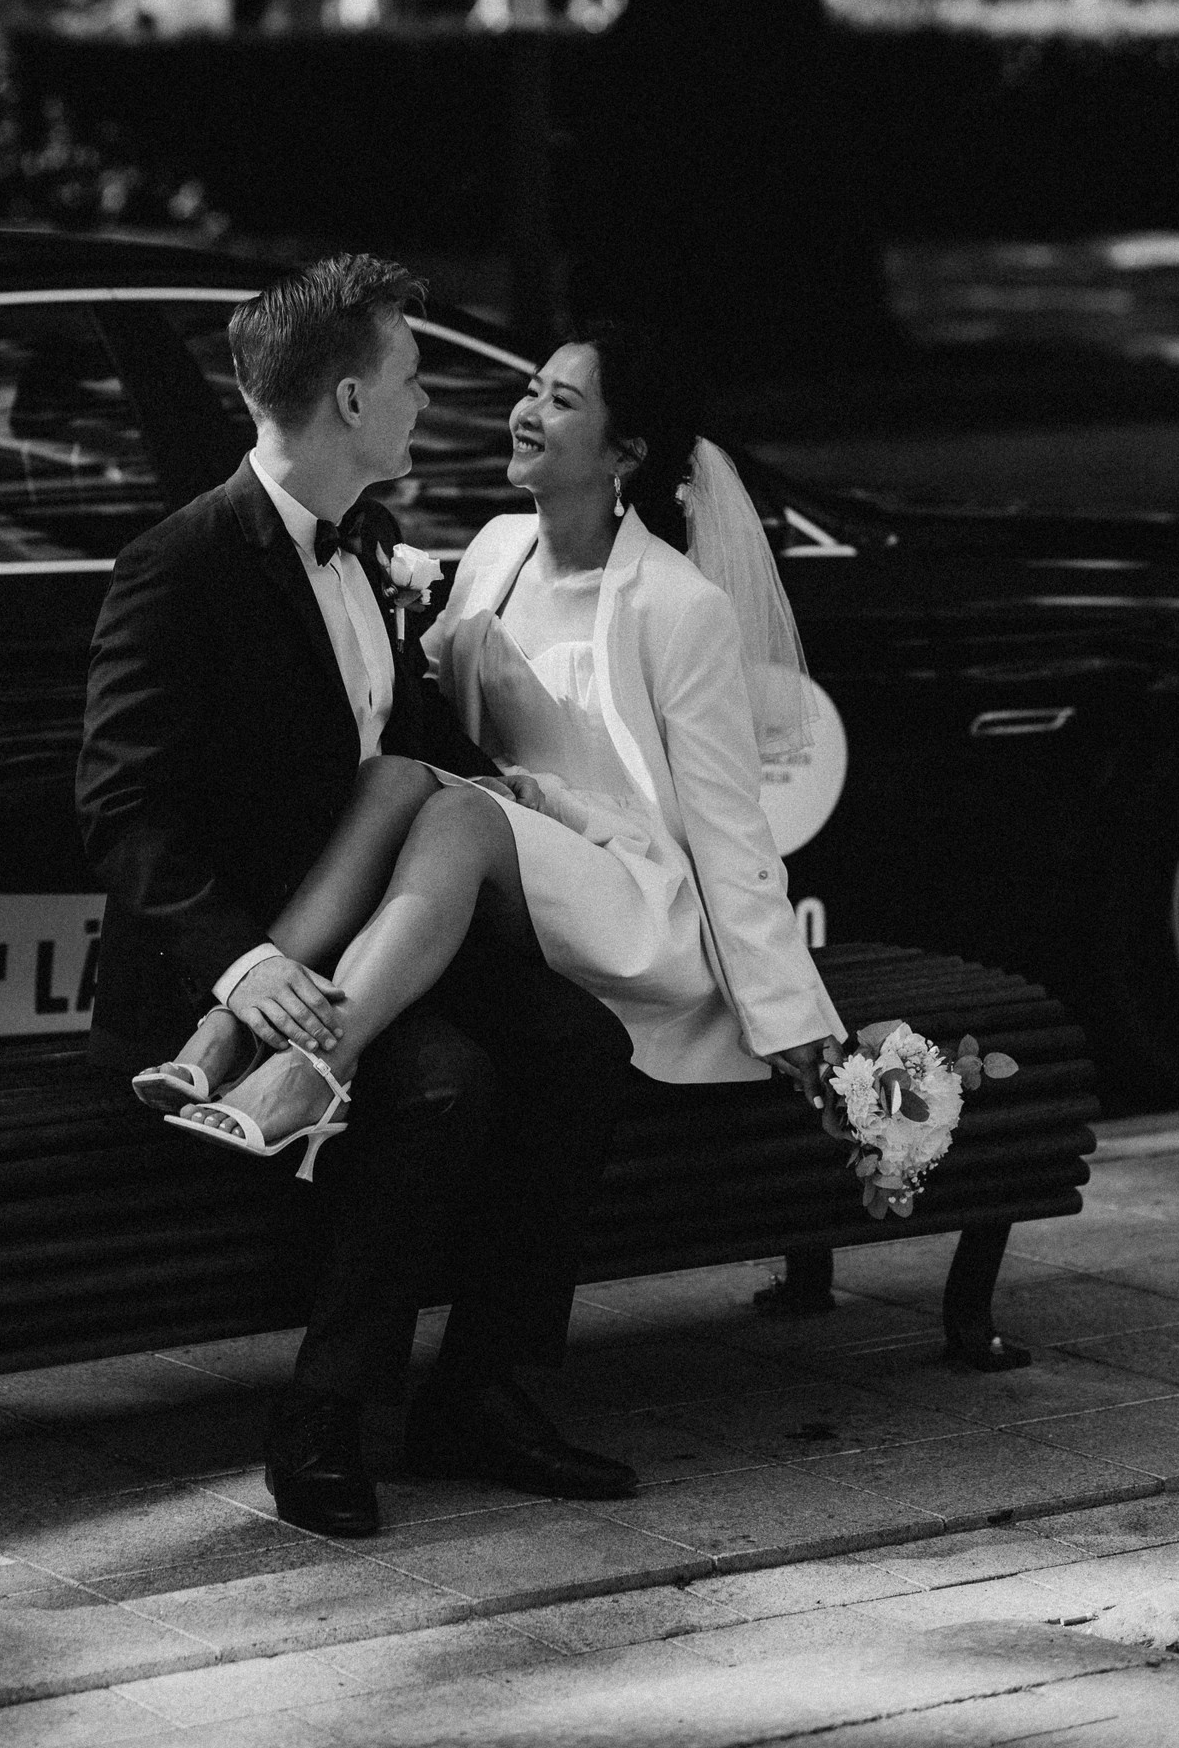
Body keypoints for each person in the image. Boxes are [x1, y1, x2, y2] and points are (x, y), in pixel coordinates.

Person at [77, 256, 640, 1539]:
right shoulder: (180, 565)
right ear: (346, 399)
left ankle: (479, 1391)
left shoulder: (378, 551)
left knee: (580, 1044)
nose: (427, 398)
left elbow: (405, 743)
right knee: (443, 1081)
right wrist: (242, 966)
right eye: (411, 376)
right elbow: (122, 810)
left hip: (390, 932)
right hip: (231, 973)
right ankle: (322, 1415)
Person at [158, 316, 846, 1227]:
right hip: (500, 848)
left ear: (624, 454)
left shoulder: (679, 606)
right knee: (397, 778)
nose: (526, 411)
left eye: (561, 402)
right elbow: (430, 722)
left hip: (631, 892)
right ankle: (230, 1020)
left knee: (457, 816)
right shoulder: (493, 549)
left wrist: (790, 1013)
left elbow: (730, 830)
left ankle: (314, 1064)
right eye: (530, 388)